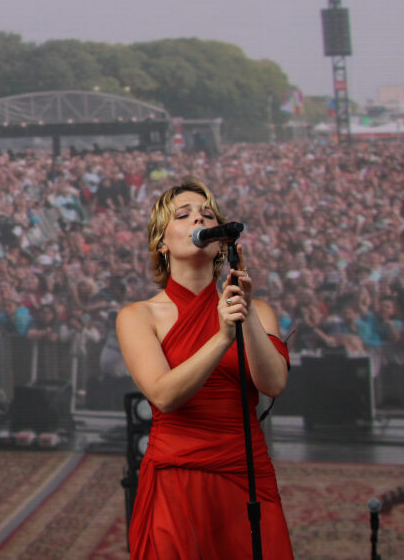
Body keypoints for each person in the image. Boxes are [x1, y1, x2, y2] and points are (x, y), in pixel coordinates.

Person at [115, 177, 293, 558]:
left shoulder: (256, 311)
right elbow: (164, 396)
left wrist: (243, 314)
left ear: (221, 243)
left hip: (244, 472)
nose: (199, 218)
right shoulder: (138, 316)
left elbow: (274, 383)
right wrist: (221, 337)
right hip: (176, 475)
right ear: (161, 243)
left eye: (207, 214)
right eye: (184, 215)